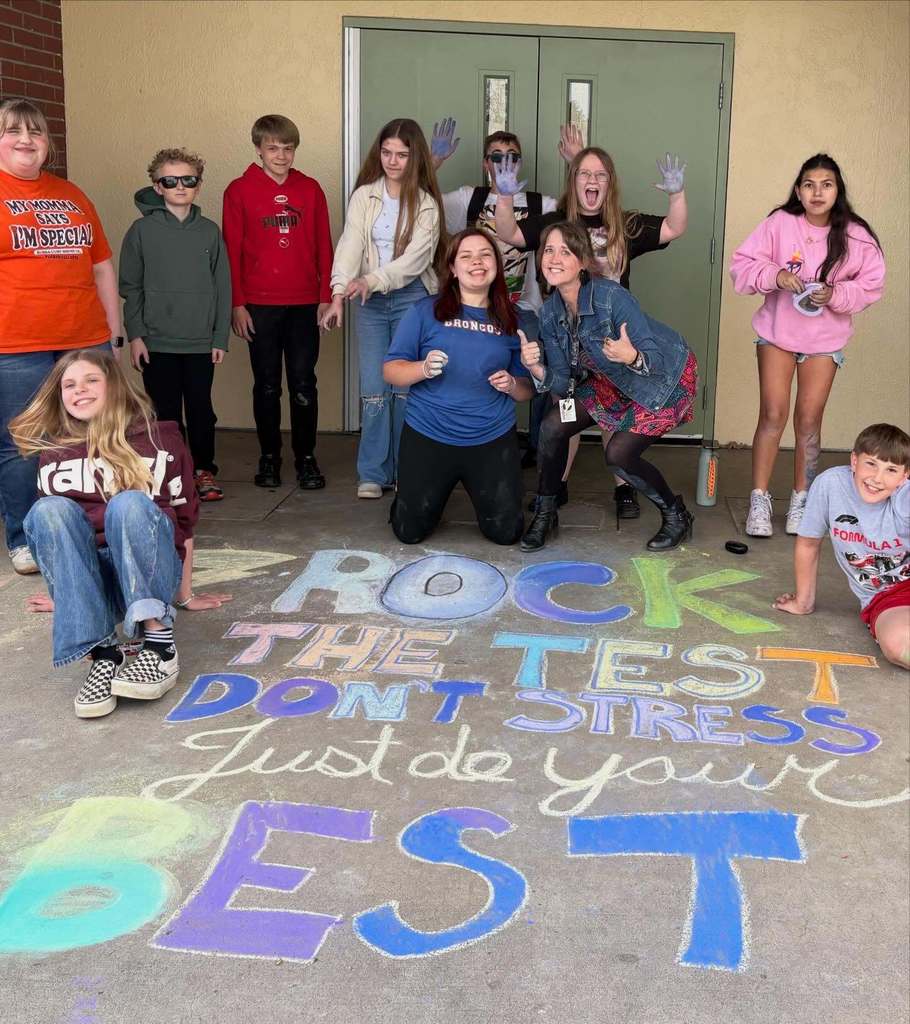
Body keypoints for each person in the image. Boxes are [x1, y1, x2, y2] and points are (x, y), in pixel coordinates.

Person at [9, 349, 230, 719]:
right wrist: (67, 593)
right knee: (48, 510)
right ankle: (103, 653)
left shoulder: (159, 439)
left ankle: (159, 644)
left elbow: (184, 521)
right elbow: (59, 536)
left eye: (91, 380)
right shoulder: (55, 453)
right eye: (69, 385)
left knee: (128, 504)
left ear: (113, 386)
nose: (79, 390)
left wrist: (185, 595)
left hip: (150, 573)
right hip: (101, 582)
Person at [495, 145, 688, 519]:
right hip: (567, 339)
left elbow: (674, 227)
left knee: (612, 412)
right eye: (584, 173)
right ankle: (557, 484)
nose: (592, 180)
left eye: (600, 174)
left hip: (614, 342)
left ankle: (624, 488)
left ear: (610, 182)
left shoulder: (624, 225)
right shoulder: (554, 224)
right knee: (563, 406)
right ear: (573, 179)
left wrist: (676, 193)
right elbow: (510, 233)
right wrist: (504, 196)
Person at [730, 154, 885, 538]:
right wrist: (775, 274)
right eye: (810, 184)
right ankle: (759, 499)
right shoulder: (779, 223)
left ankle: (802, 499)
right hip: (778, 334)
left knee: (809, 421)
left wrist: (836, 293)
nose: (818, 192)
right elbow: (742, 265)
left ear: (838, 191)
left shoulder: (855, 234)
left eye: (826, 184)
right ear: (798, 190)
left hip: (823, 341)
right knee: (772, 414)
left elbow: (871, 284)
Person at [0, 98, 124, 575]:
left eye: (36, 132)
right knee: (23, 443)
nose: (27, 140)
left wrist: (113, 333)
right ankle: (26, 536)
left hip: (83, 338)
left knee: (93, 436)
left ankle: (91, 526)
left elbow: (101, 266)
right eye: (14, 131)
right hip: (16, 343)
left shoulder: (71, 194)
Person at [520, 222, 697, 552]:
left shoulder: (611, 297)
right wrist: (535, 368)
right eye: (548, 250)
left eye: (566, 251)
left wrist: (630, 355)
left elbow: (654, 360)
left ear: (583, 262)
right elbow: (565, 382)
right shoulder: (548, 314)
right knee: (552, 425)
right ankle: (546, 513)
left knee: (618, 454)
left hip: (660, 381)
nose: (554, 258)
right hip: (607, 382)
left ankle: (677, 515)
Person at [320, 118, 446, 499]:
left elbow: (413, 261)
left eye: (402, 154)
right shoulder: (365, 196)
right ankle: (373, 473)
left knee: (407, 387)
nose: (393, 161)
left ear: (416, 158)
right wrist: (339, 291)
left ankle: (408, 468)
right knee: (374, 388)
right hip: (368, 301)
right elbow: (350, 243)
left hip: (411, 298)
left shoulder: (426, 204)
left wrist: (370, 280)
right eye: (386, 152)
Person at [384, 228, 533, 544]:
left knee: (506, 532)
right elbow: (391, 371)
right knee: (409, 532)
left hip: (490, 438)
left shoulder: (514, 318)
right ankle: (409, 492)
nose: (476, 262)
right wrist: (422, 368)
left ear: (496, 264)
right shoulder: (426, 311)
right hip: (429, 435)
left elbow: (526, 391)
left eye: (485, 255)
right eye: (466, 256)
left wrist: (510, 384)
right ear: (452, 268)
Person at [430, 120, 560, 469]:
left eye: (512, 156)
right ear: (486, 163)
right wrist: (434, 162)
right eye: (496, 156)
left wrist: (578, 160)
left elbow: (575, 211)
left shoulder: (541, 203)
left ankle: (540, 447)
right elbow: (421, 203)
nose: (505, 162)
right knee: (470, 369)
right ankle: (474, 440)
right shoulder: (467, 199)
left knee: (542, 373)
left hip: (525, 308)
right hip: (477, 310)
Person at [222, 114, 333, 491]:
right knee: (267, 385)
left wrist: (326, 297)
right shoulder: (239, 190)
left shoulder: (310, 189)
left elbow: (324, 247)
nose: (281, 155)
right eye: (273, 148)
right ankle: (269, 457)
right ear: (258, 149)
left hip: (304, 303)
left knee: (304, 384)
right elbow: (231, 253)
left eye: (288, 148)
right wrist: (237, 304)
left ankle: (306, 457)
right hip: (259, 305)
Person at [119, 147, 231, 502]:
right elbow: (130, 288)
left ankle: (202, 470)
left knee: (201, 409)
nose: (180, 186)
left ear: (198, 186)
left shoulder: (210, 232)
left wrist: (219, 337)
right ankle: (170, 472)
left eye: (188, 180)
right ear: (157, 186)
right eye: (170, 180)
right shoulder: (140, 231)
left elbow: (223, 286)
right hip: (156, 342)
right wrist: (136, 335)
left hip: (199, 341)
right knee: (164, 413)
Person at [774, 424, 909, 670]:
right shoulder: (831, 485)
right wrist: (803, 602)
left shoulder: (904, 496)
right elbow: (808, 543)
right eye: (871, 464)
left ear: (904, 477)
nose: (877, 478)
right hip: (886, 596)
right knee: (898, 647)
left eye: (891, 469)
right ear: (854, 461)